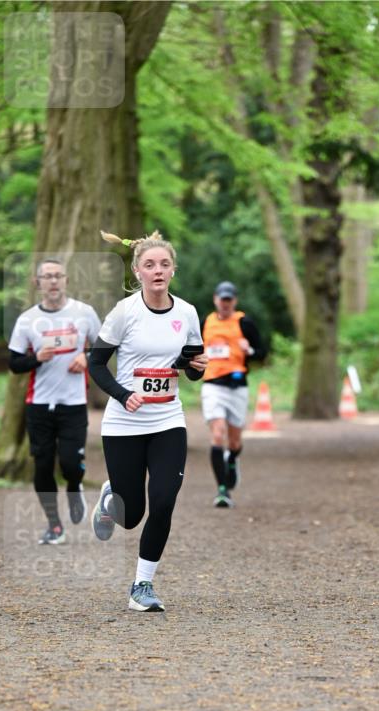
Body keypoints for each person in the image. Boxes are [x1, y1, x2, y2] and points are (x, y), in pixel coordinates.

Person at [88, 230, 207, 612]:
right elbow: (96, 363)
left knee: (164, 501)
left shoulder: (187, 312)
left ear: (173, 270)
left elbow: (190, 367)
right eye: (150, 265)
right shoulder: (125, 313)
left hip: (168, 420)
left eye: (164, 264)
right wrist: (125, 395)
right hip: (124, 423)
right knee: (131, 515)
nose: (158, 270)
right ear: (137, 272)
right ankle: (111, 500)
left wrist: (196, 367)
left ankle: (142, 585)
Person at [8, 258, 102, 544]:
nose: (52, 281)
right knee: (42, 465)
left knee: (72, 463)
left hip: (73, 403)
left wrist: (85, 357)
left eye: (57, 276)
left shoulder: (84, 313)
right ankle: (54, 525)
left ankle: (74, 487)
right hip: (39, 405)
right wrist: (35, 358)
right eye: (46, 277)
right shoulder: (26, 320)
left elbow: (104, 348)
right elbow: (14, 363)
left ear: (66, 281)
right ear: (38, 283)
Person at [200, 281, 266, 508]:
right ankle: (222, 490)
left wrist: (250, 350)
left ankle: (232, 460)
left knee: (235, 440)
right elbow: (194, 350)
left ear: (234, 301)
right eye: (222, 299)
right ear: (215, 299)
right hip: (212, 385)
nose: (225, 304)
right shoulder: (206, 323)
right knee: (218, 434)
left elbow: (262, 352)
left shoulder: (244, 323)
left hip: (237, 387)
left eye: (229, 300)